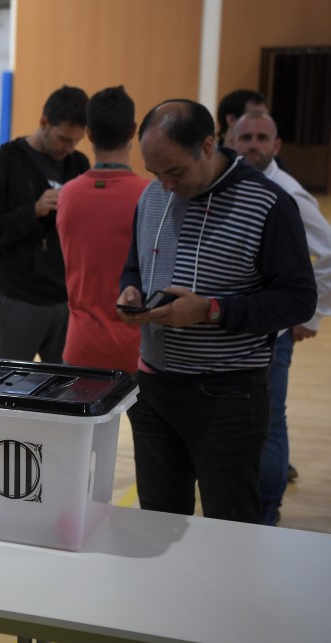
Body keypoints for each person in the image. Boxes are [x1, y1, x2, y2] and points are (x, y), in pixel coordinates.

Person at [117, 99, 316, 524]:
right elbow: (135, 264)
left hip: (228, 398)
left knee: (229, 527)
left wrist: (211, 311)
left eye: (175, 171)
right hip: (152, 392)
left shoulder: (269, 204)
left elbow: (299, 300)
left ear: (208, 146)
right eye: (155, 173)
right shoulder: (153, 195)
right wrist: (131, 291)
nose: (165, 185)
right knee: (158, 524)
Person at [232, 110, 331, 525]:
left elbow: (328, 253)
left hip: (273, 331)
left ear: (276, 146)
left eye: (261, 137)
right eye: (245, 137)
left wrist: (313, 314)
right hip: (237, 328)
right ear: (232, 142)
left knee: (270, 423)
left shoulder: (288, 192)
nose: (253, 144)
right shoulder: (233, 181)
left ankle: (268, 512)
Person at [0, 85, 90, 362]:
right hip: (18, 297)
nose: (69, 148)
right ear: (43, 123)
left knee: (65, 396)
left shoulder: (79, 164)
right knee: (8, 393)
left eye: (76, 141)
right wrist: (33, 211)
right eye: (63, 139)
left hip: (66, 299)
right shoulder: (3, 162)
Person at [56, 85, 148, 373]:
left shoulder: (68, 194)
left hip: (81, 347)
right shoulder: (150, 196)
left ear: (90, 134)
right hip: (137, 350)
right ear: (134, 130)